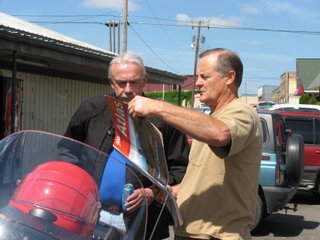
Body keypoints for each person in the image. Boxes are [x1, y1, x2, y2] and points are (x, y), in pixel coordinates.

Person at [128, 48, 263, 240]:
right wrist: (174, 191)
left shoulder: (242, 112)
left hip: (218, 235)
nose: (198, 83)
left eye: (204, 76)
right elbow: (207, 176)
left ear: (229, 77)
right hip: (191, 232)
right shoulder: (212, 119)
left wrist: (156, 106)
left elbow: (221, 134)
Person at [63, 51, 190, 240]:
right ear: (111, 82)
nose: (128, 89)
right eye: (121, 83)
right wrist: (75, 186)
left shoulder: (163, 119)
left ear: (144, 80)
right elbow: (67, 149)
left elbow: (180, 169)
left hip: (143, 222)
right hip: (90, 216)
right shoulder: (92, 108)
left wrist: (153, 192)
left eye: (134, 82)